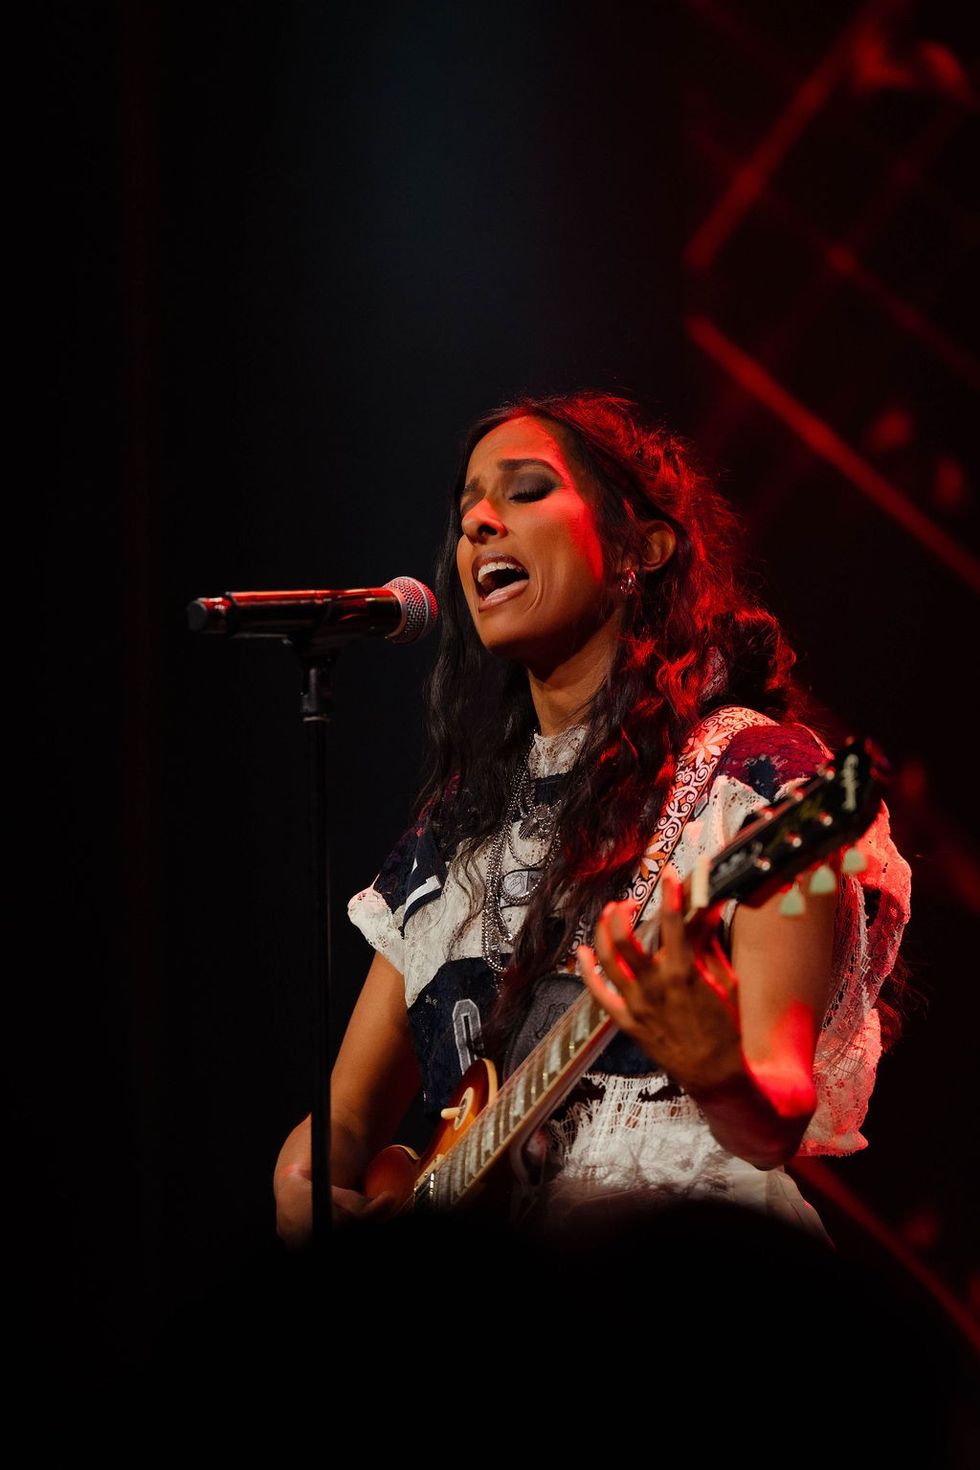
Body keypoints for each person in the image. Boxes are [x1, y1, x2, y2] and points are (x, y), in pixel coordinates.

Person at [273, 389, 911, 1249]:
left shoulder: (754, 780)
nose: (478, 524)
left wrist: (718, 1070)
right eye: (467, 510)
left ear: (641, 547)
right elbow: (344, 1126)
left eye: (526, 490)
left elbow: (775, 1117)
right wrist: (302, 1186)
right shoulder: (457, 833)